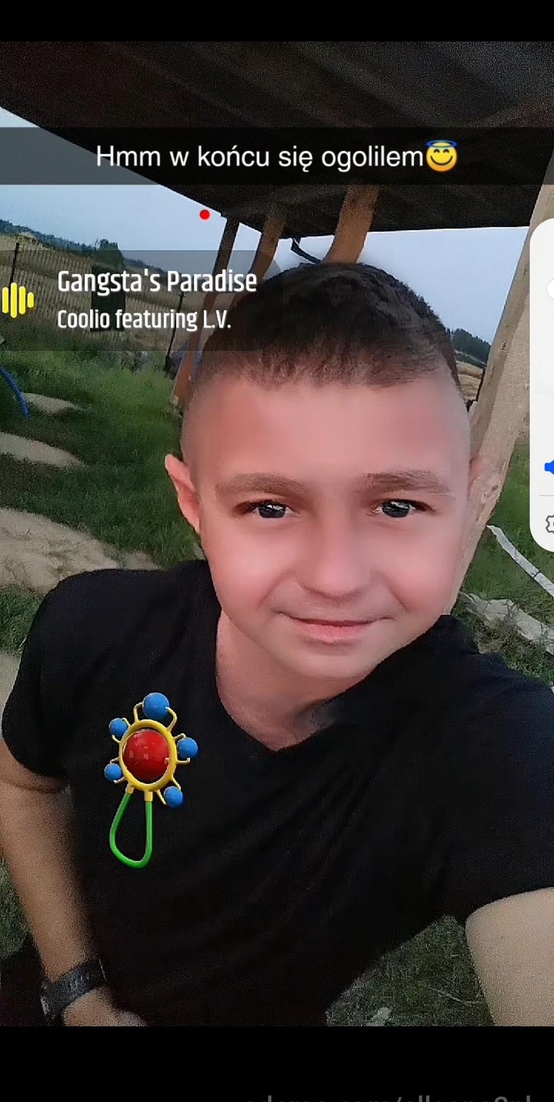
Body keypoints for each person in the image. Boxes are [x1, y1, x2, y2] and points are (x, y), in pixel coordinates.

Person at [0, 262, 553, 1027]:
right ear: (195, 504)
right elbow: (25, 788)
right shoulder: (93, 628)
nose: (335, 578)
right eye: (269, 506)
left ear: (468, 497)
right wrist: (76, 991)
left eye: (397, 505)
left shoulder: (493, 742)